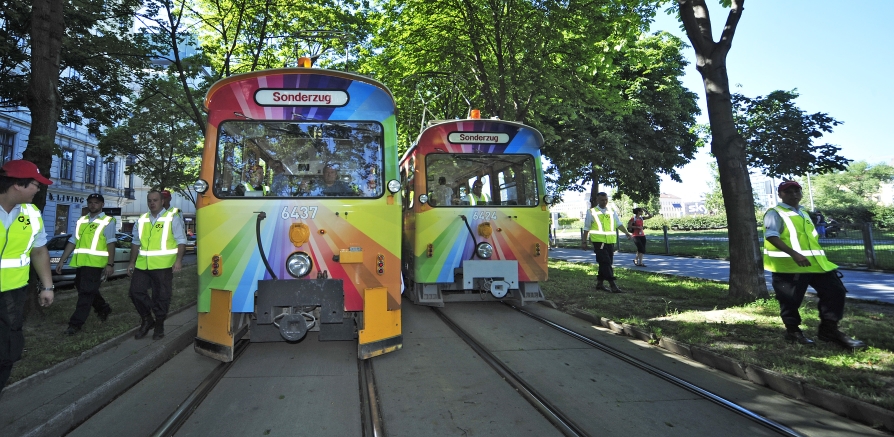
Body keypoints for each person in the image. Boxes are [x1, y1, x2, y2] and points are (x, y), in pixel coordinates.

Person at [763, 180, 866, 349]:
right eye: (788, 191)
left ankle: (829, 330)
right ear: (780, 195)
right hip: (790, 265)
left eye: (797, 191)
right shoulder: (775, 213)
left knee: (835, 292)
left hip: (816, 264)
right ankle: (793, 332)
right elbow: (772, 236)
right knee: (790, 301)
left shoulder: (803, 212)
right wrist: (794, 254)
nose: (794, 194)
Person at [0, 160, 55, 392]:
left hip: (12, 294)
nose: (38, 189)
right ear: (17, 185)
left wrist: (48, 286)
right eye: (35, 184)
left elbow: (39, 250)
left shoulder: (32, 213)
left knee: (9, 350)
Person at [128, 190, 187, 340]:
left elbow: (181, 240)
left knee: (161, 297)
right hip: (143, 265)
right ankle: (148, 319)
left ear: (162, 202)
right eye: (149, 200)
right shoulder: (141, 220)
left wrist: (178, 261)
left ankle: (159, 326)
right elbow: (135, 242)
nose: (152, 203)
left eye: (155, 200)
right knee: (135, 292)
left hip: (163, 265)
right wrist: (132, 262)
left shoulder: (172, 218)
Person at [55, 193, 115, 335]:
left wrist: (110, 264)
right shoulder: (82, 220)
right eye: (90, 202)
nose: (93, 205)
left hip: (95, 264)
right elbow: (73, 241)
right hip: (81, 263)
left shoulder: (108, 221)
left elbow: (111, 243)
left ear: (102, 205)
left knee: (86, 294)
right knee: (85, 289)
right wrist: (62, 260)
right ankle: (103, 308)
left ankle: (75, 324)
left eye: (96, 203)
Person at [582, 192, 632, 293]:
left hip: (610, 241)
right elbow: (587, 228)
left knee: (605, 263)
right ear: (597, 200)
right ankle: (613, 285)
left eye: (606, 200)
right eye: (602, 200)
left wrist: (626, 233)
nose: (604, 202)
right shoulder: (591, 212)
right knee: (606, 262)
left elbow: (618, 224)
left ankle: (599, 284)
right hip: (598, 242)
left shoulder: (611, 211)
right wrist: (584, 241)